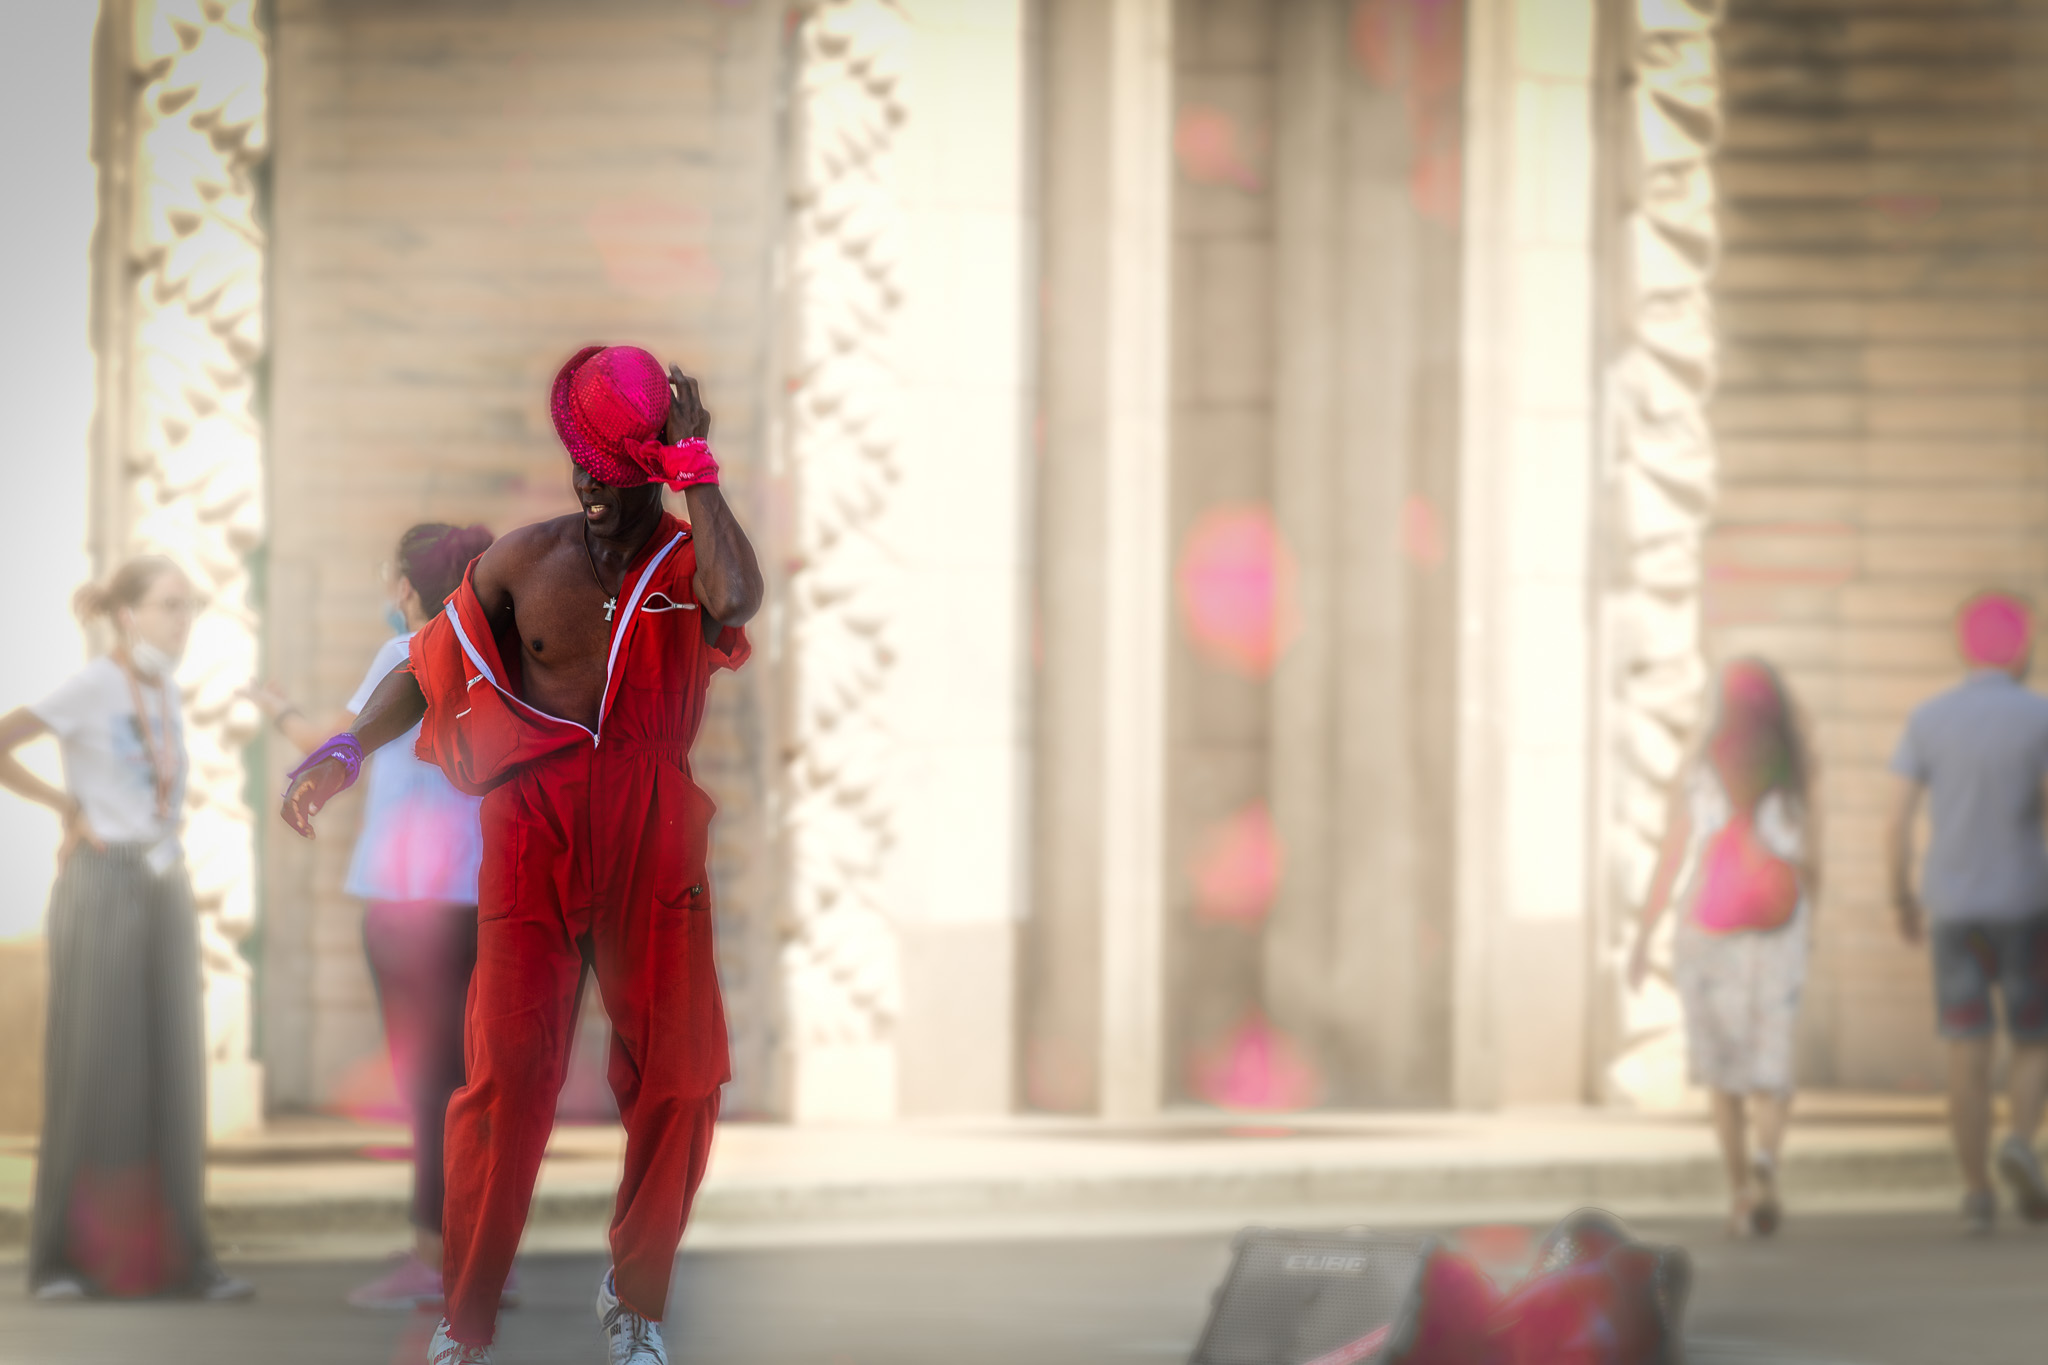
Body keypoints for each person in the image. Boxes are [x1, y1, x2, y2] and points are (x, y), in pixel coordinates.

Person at [280, 345, 762, 1365]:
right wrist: (342, 750)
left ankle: (635, 1302)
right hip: (532, 833)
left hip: (651, 828)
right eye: (580, 462)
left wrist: (698, 470)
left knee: (680, 1079)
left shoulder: (688, 559)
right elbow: (427, 667)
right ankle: (467, 1320)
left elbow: (740, 596)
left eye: (611, 467)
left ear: (654, 466)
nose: (590, 483)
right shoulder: (522, 560)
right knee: (503, 1085)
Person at [248, 522, 508, 1312]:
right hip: (480, 900)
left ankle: (435, 1263)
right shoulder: (503, 659)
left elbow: (339, 742)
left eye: (390, 576)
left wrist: (278, 710)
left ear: (408, 589)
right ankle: (478, 1260)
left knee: (426, 1086)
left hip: (407, 903)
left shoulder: (408, 654)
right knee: (468, 1082)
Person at [0, 556, 252, 1301]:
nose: (183, 622)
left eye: (191, 607)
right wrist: (65, 806)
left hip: (163, 883)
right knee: (96, 1068)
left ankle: (180, 1261)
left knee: (174, 1072)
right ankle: (63, 1262)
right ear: (128, 613)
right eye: (171, 606)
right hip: (101, 886)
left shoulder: (164, 688)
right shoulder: (93, 685)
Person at [1628, 657, 1817, 1238]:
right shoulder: (1795, 771)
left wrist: (1643, 933)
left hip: (1708, 927)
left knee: (1723, 1073)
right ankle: (1768, 1161)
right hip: (1778, 928)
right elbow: (1815, 857)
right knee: (1770, 1061)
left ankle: (1739, 1192)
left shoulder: (1702, 768)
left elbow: (1672, 852)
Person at [1886, 590, 2048, 1235]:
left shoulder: (1927, 720)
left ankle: (1977, 1191)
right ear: (2024, 646)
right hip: (2028, 905)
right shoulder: (2040, 719)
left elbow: (1895, 820)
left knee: (1965, 1046)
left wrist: (1899, 895)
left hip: (1953, 910)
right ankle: (2021, 1143)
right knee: (2033, 1039)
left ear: (1964, 646)